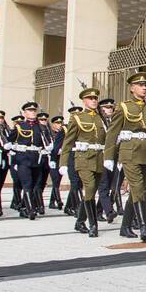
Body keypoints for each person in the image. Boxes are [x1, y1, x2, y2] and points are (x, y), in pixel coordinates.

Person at [105, 73, 146, 243]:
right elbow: (112, 133)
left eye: (145, 85)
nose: (144, 87)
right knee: (137, 188)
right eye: (139, 85)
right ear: (132, 88)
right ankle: (144, 226)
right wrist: (109, 156)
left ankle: (125, 226)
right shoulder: (123, 107)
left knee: (141, 190)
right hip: (129, 152)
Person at [60, 89, 106, 237]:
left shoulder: (101, 119)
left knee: (92, 191)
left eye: (95, 98)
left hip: (99, 158)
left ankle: (80, 221)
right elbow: (68, 142)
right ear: (84, 101)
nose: (93, 100)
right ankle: (93, 225)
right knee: (90, 187)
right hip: (83, 158)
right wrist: (63, 163)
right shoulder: (77, 118)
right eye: (90, 98)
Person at [8, 102, 48, 220]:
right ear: (24, 113)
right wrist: (14, 156)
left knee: (35, 184)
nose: (33, 112)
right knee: (27, 184)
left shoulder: (41, 127)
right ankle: (30, 210)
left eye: (34, 111)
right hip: (23, 159)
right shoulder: (19, 126)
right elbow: (8, 142)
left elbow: (45, 142)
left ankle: (25, 208)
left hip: (37, 160)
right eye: (30, 111)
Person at [47, 115, 65, 210]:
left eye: (61, 123)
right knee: (55, 180)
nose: (59, 125)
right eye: (57, 123)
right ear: (53, 124)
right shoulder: (49, 133)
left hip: (60, 159)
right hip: (51, 159)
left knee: (57, 180)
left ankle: (51, 201)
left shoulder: (63, 133)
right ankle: (58, 200)